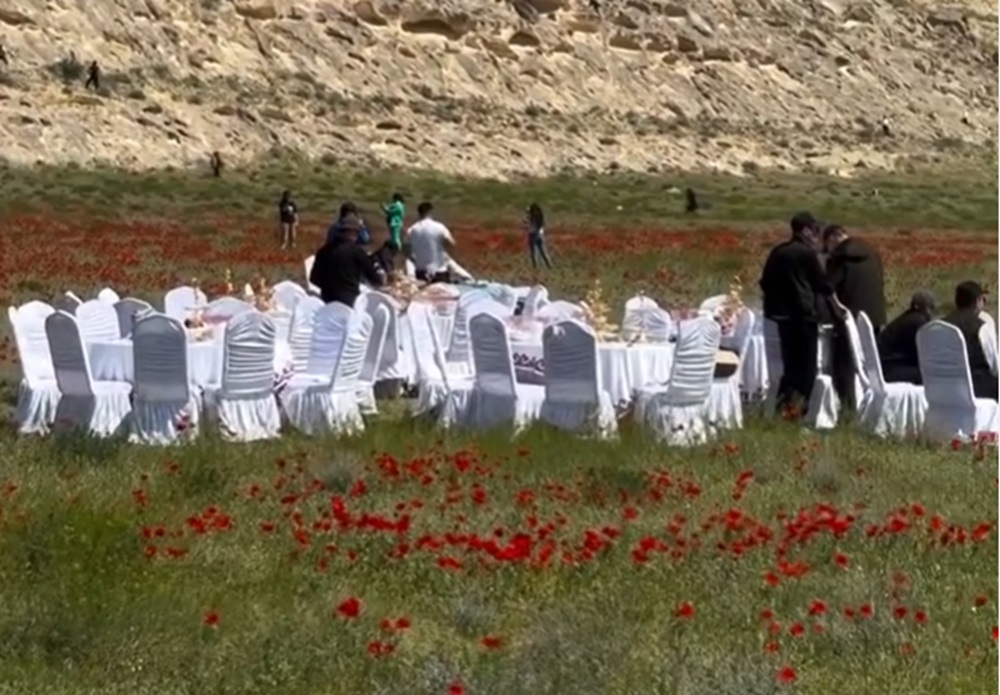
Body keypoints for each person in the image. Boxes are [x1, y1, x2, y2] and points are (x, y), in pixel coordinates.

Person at [759, 211, 842, 415]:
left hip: (781, 316)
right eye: (815, 230)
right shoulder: (806, 254)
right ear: (805, 231)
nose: (817, 236)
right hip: (803, 316)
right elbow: (822, 283)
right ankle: (801, 409)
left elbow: (765, 282)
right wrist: (837, 306)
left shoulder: (778, 252)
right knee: (807, 367)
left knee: (789, 365)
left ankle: (783, 406)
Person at [822, 225, 887, 330]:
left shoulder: (838, 258)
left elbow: (830, 288)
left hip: (850, 319)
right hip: (875, 316)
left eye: (827, 246)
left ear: (831, 238)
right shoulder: (872, 253)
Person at [309, 217, 384, 307]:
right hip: (350, 302)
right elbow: (374, 278)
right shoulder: (357, 252)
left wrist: (328, 286)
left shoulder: (324, 251)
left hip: (327, 301)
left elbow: (313, 279)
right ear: (353, 232)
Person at [942, 281, 998, 400]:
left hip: (945, 389)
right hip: (977, 388)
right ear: (977, 301)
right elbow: (994, 367)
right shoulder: (981, 327)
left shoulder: (940, 325)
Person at [878, 290, 936, 385]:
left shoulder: (907, 319)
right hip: (891, 370)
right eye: (931, 308)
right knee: (930, 375)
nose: (932, 314)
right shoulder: (917, 323)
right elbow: (923, 354)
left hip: (885, 366)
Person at [405, 201, 456, 284]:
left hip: (421, 272)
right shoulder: (439, 227)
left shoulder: (412, 230)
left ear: (419, 213)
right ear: (430, 212)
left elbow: (405, 248)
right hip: (439, 271)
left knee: (424, 291)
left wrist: (413, 259)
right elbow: (451, 242)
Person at [524, 203, 553, 269]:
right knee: (544, 252)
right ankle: (549, 266)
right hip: (540, 235)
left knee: (534, 253)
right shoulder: (539, 217)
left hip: (532, 235)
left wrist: (527, 214)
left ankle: (536, 267)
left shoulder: (531, 217)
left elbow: (526, 224)